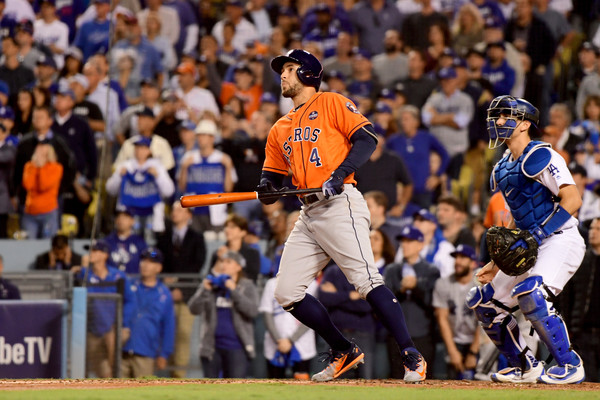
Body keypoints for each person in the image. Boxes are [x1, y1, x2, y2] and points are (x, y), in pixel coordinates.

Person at [259, 49, 427, 383]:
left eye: (291, 69)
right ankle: (343, 350)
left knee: (366, 280)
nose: (284, 74)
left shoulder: (332, 102)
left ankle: (410, 353)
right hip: (308, 211)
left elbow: (367, 139)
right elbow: (271, 179)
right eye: (283, 70)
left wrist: (339, 173)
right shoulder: (280, 127)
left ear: (308, 73)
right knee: (286, 292)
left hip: (339, 203)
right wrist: (266, 188)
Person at [468, 95, 586, 384]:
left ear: (523, 124)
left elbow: (573, 200)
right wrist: (495, 263)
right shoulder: (503, 165)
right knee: (484, 302)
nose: (498, 122)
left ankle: (570, 365)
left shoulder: (543, 155)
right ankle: (524, 366)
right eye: (495, 117)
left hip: (561, 239)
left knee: (533, 294)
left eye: (505, 116)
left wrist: (537, 235)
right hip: (530, 243)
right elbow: (516, 219)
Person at [188, 250, 259, 378]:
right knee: (211, 391)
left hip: (237, 347)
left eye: (228, 262)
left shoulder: (247, 286)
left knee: (236, 391)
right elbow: (193, 309)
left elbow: (253, 311)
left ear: (238, 267)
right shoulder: (212, 284)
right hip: (212, 348)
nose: (223, 265)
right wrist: (204, 291)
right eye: (221, 261)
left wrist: (234, 291)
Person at [384, 225, 440, 379]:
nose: (405, 245)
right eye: (403, 241)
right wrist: (401, 290)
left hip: (422, 334)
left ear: (420, 244)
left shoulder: (431, 271)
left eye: (410, 241)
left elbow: (433, 303)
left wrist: (417, 287)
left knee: (424, 379)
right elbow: (385, 302)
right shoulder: (391, 270)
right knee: (396, 378)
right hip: (396, 336)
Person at [122, 247, 175, 378]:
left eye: (151, 262)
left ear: (158, 268)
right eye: (144, 261)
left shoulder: (164, 294)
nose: (145, 265)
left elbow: (169, 326)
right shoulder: (129, 285)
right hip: (122, 349)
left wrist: (164, 354)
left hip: (146, 353)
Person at [559, 217, 600, 382]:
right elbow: (566, 297)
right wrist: (568, 326)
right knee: (587, 381)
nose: (592, 232)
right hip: (582, 332)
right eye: (591, 229)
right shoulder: (580, 261)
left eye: (597, 229)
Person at [432, 244, 480, 380]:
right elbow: (442, 319)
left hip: (479, 341)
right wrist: (452, 351)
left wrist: (473, 352)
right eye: (456, 257)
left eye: (463, 258)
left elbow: (485, 321)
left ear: (473, 263)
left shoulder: (480, 285)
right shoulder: (443, 283)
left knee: (482, 382)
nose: (458, 261)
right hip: (454, 340)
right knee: (451, 383)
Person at [21, 140, 63, 239]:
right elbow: (27, 185)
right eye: (39, 146)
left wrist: (41, 167)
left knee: (47, 243)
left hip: (48, 212)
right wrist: (36, 166)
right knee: (28, 244)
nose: (40, 149)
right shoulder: (29, 166)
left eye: (43, 146)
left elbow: (43, 185)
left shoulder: (56, 167)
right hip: (30, 212)